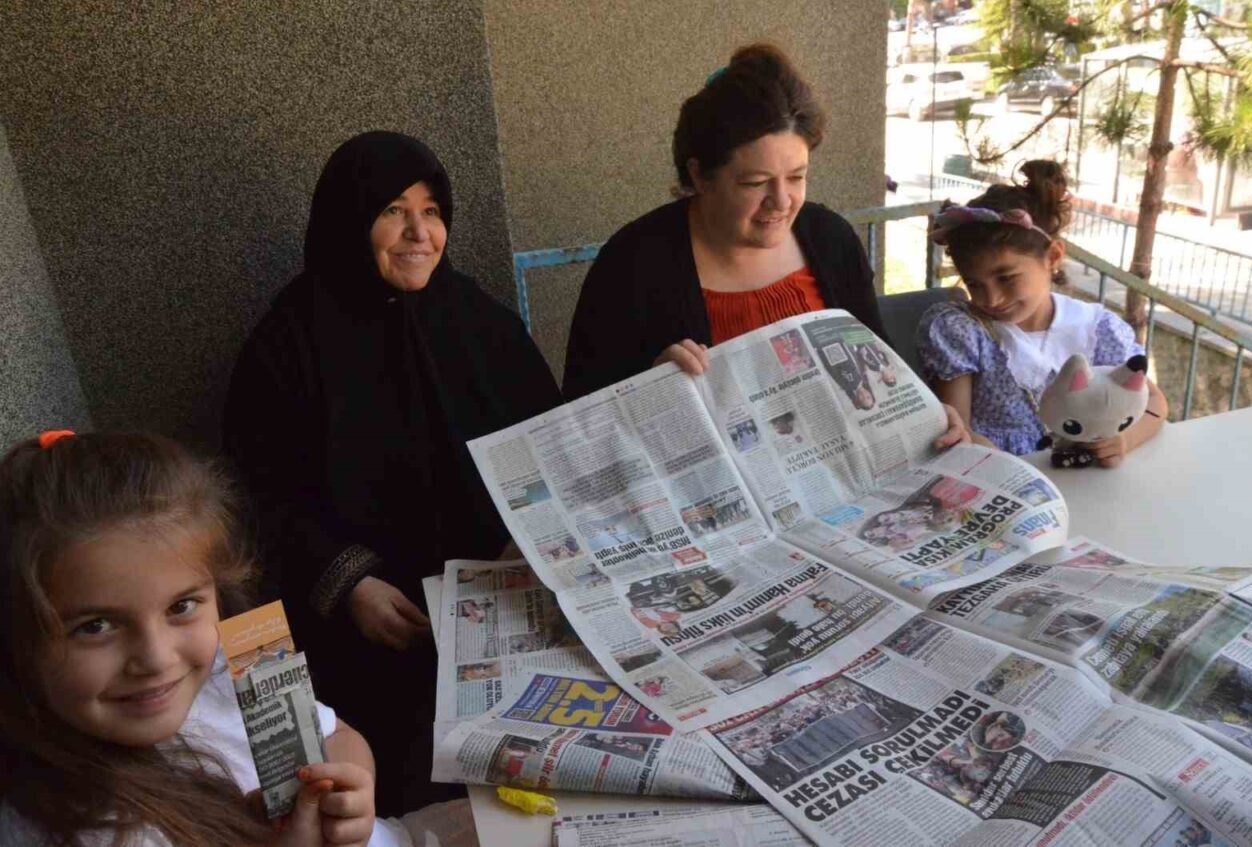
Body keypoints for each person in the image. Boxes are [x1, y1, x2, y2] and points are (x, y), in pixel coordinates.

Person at [223, 131, 561, 814]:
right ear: (350, 221)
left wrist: (526, 536)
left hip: (494, 609)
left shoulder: (474, 318)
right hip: (370, 632)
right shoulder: (288, 345)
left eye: (432, 211)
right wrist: (348, 583)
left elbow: (547, 439)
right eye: (393, 211)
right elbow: (255, 498)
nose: (419, 232)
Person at [0, 430, 416, 846]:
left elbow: (338, 736)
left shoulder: (232, 654)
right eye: (96, 626)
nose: (158, 658)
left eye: (181, 606)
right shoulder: (84, 829)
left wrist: (347, 795)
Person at [562, 43, 969, 448]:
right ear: (699, 175)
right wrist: (648, 393)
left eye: (797, 177)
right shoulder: (634, 263)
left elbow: (881, 365)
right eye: (755, 183)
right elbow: (576, 420)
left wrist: (928, 413)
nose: (782, 201)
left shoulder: (830, 240)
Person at [916, 160, 1168, 463]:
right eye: (974, 283)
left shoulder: (1095, 329)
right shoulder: (965, 332)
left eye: (1006, 278)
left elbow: (1153, 401)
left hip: (1088, 481)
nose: (991, 298)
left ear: (1053, 256)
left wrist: (1124, 440)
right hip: (1003, 475)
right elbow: (958, 427)